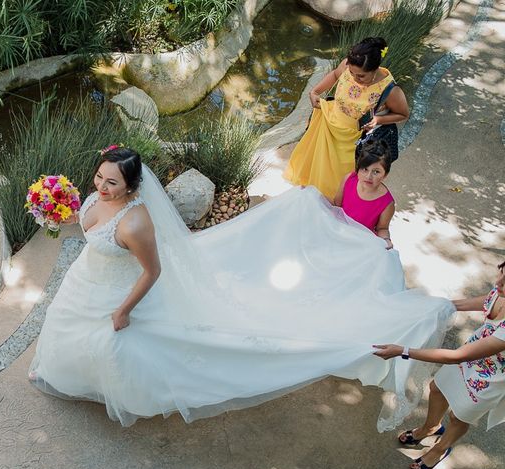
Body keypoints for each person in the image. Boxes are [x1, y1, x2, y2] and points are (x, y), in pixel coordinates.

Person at [29, 146, 454, 429]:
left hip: (119, 293)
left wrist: (123, 310)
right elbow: (87, 224)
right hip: (88, 279)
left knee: (120, 345)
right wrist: (56, 214)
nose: (101, 188)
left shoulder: (136, 222)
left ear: (132, 188)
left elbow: (152, 272)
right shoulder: (95, 199)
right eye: (100, 178)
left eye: (112, 183)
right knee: (71, 327)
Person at [373, 261, 505, 469]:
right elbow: (489, 300)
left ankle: (441, 448)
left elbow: (457, 356)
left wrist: (403, 350)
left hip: (491, 377)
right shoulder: (501, 290)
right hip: (473, 352)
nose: (498, 283)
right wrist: (448, 305)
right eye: (501, 273)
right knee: (437, 388)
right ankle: (430, 427)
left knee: (459, 415)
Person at [283, 37, 409, 200]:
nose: (354, 78)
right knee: (315, 168)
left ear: (375, 68)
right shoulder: (348, 64)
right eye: (351, 73)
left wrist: (378, 120)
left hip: (351, 140)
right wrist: (315, 91)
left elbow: (403, 114)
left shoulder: (389, 89)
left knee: (338, 180)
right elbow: (335, 75)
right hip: (327, 124)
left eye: (361, 76)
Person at [333, 139, 395, 249]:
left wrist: (386, 240)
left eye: (376, 171)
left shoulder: (387, 203)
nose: (368, 176)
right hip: (338, 231)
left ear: (385, 175)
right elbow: (335, 205)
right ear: (358, 167)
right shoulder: (349, 179)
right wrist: (314, 196)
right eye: (365, 169)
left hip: (360, 243)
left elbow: (382, 228)